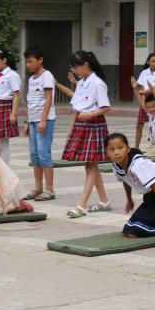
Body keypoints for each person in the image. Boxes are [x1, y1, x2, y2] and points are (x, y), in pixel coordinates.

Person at [55, 50, 111, 218]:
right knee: (91, 164)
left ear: (86, 65)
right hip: (82, 123)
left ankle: (82, 205)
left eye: (76, 67)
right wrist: (72, 126)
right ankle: (104, 200)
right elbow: (77, 106)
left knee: (90, 165)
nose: (74, 71)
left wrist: (89, 115)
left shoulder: (98, 83)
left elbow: (106, 108)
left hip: (94, 124)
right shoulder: (81, 83)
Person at [106, 132, 155, 237]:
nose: (116, 152)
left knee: (133, 232)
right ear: (107, 152)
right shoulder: (116, 166)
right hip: (151, 198)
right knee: (129, 229)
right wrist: (129, 200)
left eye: (120, 148)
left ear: (128, 149)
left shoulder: (138, 164)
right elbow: (125, 180)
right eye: (112, 149)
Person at [22, 47, 56, 201]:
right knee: (34, 155)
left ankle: (49, 190)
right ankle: (38, 188)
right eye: (26, 62)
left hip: (44, 120)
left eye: (31, 61)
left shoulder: (47, 76)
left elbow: (49, 99)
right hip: (33, 121)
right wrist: (27, 122)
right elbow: (31, 102)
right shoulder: (31, 79)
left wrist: (43, 120)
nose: (28, 65)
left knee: (44, 154)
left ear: (40, 60)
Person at [134, 53, 155, 150]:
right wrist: (142, 101)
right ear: (148, 62)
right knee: (139, 124)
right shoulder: (144, 73)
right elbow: (140, 87)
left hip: (154, 100)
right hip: (145, 100)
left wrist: (150, 92)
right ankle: (136, 147)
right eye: (153, 61)